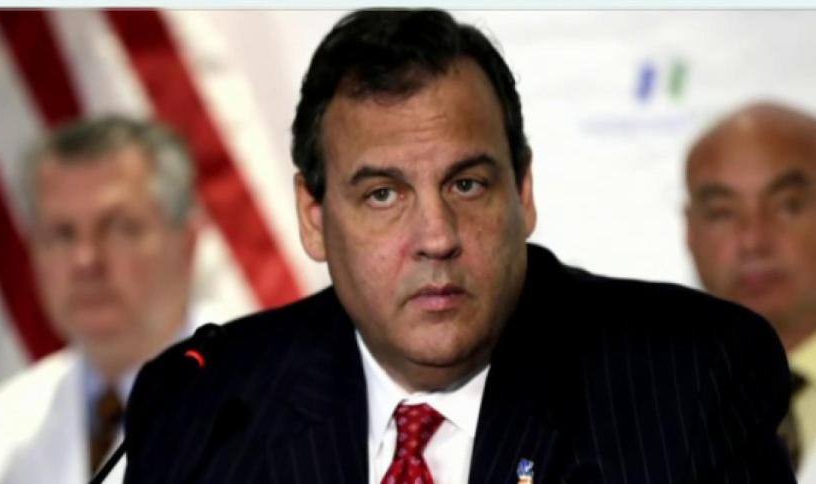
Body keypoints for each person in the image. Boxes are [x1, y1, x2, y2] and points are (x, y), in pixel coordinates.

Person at [122, 9, 795, 483]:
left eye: (467, 185)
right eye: (383, 195)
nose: (437, 238)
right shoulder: (206, 404)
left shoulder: (688, 379)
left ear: (523, 191)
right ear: (313, 216)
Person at [0, 115, 201, 484]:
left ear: (187, 243)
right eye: (62, 234)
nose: (85, 261)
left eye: (119, 227)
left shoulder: (276, 410)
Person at [685, 101, 816, 480]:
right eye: (722, 212)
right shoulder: (633, 401)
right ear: (690, 231)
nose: (753, 240)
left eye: (787, 206)